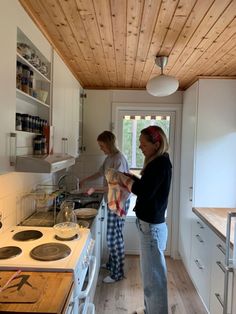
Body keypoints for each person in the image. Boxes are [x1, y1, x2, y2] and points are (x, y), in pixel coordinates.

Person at [125, 125, 172, 314]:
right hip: (150, 226)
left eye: (143, 144)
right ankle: (149, 310)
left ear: (156, 144)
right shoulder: (159, 162)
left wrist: (127, 183)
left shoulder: (160, 163)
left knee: (154, 279)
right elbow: (148, 186)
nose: (140, 147)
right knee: (150, 276)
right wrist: (133, 178)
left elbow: (145, 192)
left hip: (151, 228)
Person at [79, 130, 130, 284]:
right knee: (113, 235)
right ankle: (111, 264)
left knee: (114, 237)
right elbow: (100, 173)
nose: (100, 148)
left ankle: (117, 273)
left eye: (102, 145)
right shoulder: (110, 158)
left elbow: (116, 186)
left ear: (108, 144)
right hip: (112, 199)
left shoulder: (118, 160)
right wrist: (85, 180)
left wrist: (95, 189)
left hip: (118, 201)